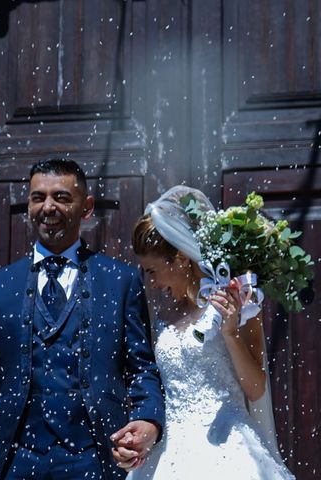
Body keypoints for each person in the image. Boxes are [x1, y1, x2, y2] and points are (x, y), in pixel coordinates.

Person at [0, 159, 165, 480]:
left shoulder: (120, 280)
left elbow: (142, 370)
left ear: (86, 208)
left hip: (96, 459)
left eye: (61, 197)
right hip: (17, 461)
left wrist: (149, 422)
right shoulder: (0, 286)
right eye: (38, 197)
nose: (48, 207)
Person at [116, 186, 295, 479]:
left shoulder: (238, 302)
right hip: (169, 454)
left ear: (181, 257)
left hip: (229, 449)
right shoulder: (163, 317)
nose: (152, 283)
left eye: (153, 271)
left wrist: (229, 333)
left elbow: (256, 389)